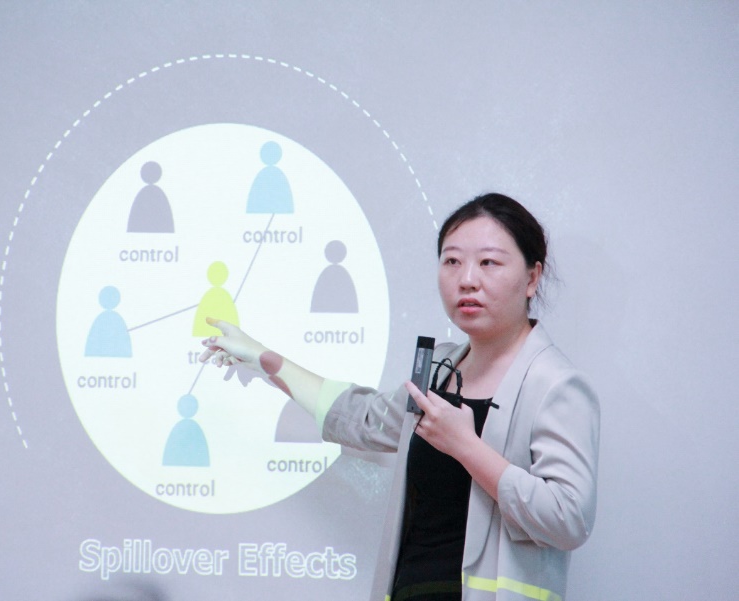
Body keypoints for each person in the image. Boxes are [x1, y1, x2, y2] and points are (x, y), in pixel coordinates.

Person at [200, 193, 600, 601]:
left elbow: (569, 519)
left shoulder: (555, 384)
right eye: (452, 261)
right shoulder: (438, 368)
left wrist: (465, 445)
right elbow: (362, 419)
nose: (467, 279)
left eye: (489, 263)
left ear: (532, 277)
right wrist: (265, 359)